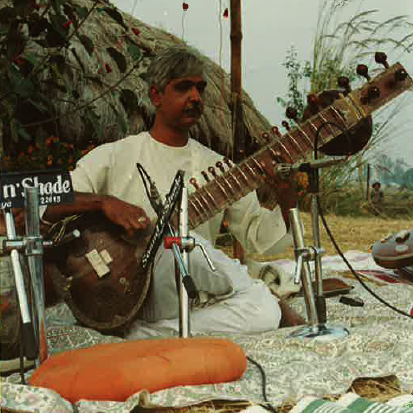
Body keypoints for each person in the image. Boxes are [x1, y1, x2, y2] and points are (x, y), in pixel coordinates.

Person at [39, 46, 304, 338]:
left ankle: (145, 336)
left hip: (184, 293)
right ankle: (178, 326)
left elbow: (261, 239)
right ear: (156, 96)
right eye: (183, 88)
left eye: (199, 89)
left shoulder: (219, 167)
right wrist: (104, 202)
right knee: (184, 246)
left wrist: (286, 196)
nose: (195, 97)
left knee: (258, 308)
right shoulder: (115, 156)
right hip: (121, 287)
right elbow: (47, 202)